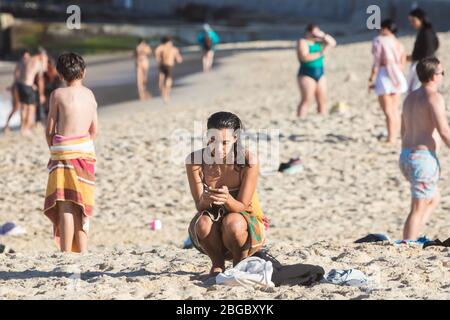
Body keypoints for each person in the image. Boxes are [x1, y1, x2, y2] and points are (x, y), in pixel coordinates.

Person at [186, 112, 268, 276]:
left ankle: (239, 261)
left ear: (236, 138)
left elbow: (242, 205)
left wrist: (228, 199)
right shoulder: (195, 160)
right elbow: (199, 206)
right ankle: (217, 264)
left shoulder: (248, 161)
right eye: (212, 141)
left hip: (244, 222)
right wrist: (206, 199)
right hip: (213, 229)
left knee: (232, 222)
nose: (218, 148)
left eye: (225, 142)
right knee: (202, 223)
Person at [44, 52, 98, 253]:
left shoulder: (57, 95)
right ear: (83, 72)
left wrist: (54, 148)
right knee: (81, 205)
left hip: (63, 154)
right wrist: (82, 146)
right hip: (84, 154)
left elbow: (50, 129)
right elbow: (94, 130)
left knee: (66, 204)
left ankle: (66, 252)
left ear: (60, 75)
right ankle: (82, 251)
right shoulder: (90, 95)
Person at [400, 57, 447, 241]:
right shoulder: (434, 97)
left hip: (406, 155)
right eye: (442, 72)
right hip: (422, 158)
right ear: (433, 76)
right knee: (417, 209)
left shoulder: (410, 97)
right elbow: (444, 130)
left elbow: (402, 130)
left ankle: (414, 235)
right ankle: (408, 244)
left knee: (434, 197)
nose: (443, 76)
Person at [369, 20, 407, 144]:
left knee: (387, 110)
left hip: (384, 75)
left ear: (386, 28)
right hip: (397, 75)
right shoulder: (398, 43)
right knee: (395, 108)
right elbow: (403, 61)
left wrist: (371, 78)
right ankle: (397, 135)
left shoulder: (379, 40)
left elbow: (377, 62)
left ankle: (391, 138)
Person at [296, 23, 336, 117]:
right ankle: (300, 119)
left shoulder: (319, 41)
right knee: (306, 100)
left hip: (320, 73)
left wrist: (323, 35)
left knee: (322, 100)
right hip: (306, 73)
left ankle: (322, 118)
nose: (315, 35)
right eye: (313, 33)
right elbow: (304, 57)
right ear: (308, 32)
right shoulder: (303, 42)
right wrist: (320, 53)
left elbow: (333, 43)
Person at [16, 47, 48, 136]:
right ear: (41, 55)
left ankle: (22, 127)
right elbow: (40, 81)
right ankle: (27, 129)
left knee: (23, 107)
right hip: (28, 86)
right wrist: (41, 94)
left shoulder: (27, 60)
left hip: (20, 85)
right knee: (31, 108)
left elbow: (21, 74)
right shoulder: (38, 63)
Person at [407, 8, 439, 93]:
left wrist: (414, 57)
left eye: (413, 20)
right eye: (410, 21)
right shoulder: (425, 31)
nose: (412, 23)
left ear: (421, 19)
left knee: (417, 92)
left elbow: (429, 52)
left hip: (424, 66)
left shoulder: (426, 33)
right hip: (423, 64)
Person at [2, 49, 30, 134]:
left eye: (27, 57)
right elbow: (16, 78)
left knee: (24, 107)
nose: (27, 59)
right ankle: (7, 125)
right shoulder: (20, 64)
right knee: (16, 107)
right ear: (23, 57)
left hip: (22, 87)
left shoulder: (26, 64)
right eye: (25, 57)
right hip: (18, 87)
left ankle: (23, 126)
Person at [154, 36, 183, 102]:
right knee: (168, 79)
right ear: (169, 42)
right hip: (169, 65)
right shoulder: (173, 49)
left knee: (161, 79)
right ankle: (166, 94)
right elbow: (179, 59)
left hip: (161, 65)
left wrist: (159, 59)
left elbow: (156, 54)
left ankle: (163, 93)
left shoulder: (160, 47)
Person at [42, 57, 64, 123]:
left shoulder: (58, 76)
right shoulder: (44, 75)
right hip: (47, 97)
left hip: (55, 96)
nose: (47, 70)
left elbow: (61, 88)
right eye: (47, 68)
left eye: (49, 68)